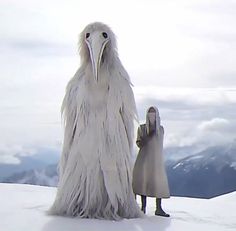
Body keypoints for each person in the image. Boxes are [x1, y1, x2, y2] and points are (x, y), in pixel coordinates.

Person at [132, 106, 170, 217]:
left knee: (158, 183)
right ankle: (143, 208)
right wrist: (148, 136)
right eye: (150, 112)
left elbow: (159, 145)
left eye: (153, 112)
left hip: (156, 160)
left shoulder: (160, 129)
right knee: (143, 182)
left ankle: (159, 208)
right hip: (144, 159)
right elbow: (139, 143)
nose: (151, 114)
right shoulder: (142, 128)